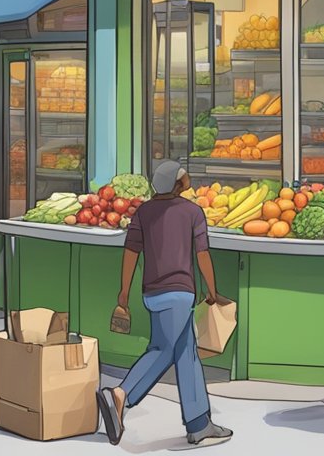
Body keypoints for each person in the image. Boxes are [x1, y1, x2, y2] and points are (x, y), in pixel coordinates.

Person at [96, 161, 232, 448]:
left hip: (152, 294)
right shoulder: (193, 212)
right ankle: (121, 395)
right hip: (180, 293)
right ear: (179, 183)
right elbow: (202, 255)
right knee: (164, 349)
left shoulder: (143, 213)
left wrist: (124, 292)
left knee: (186, 353)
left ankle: (199, 424)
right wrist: (212, 289)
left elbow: (131, 253)